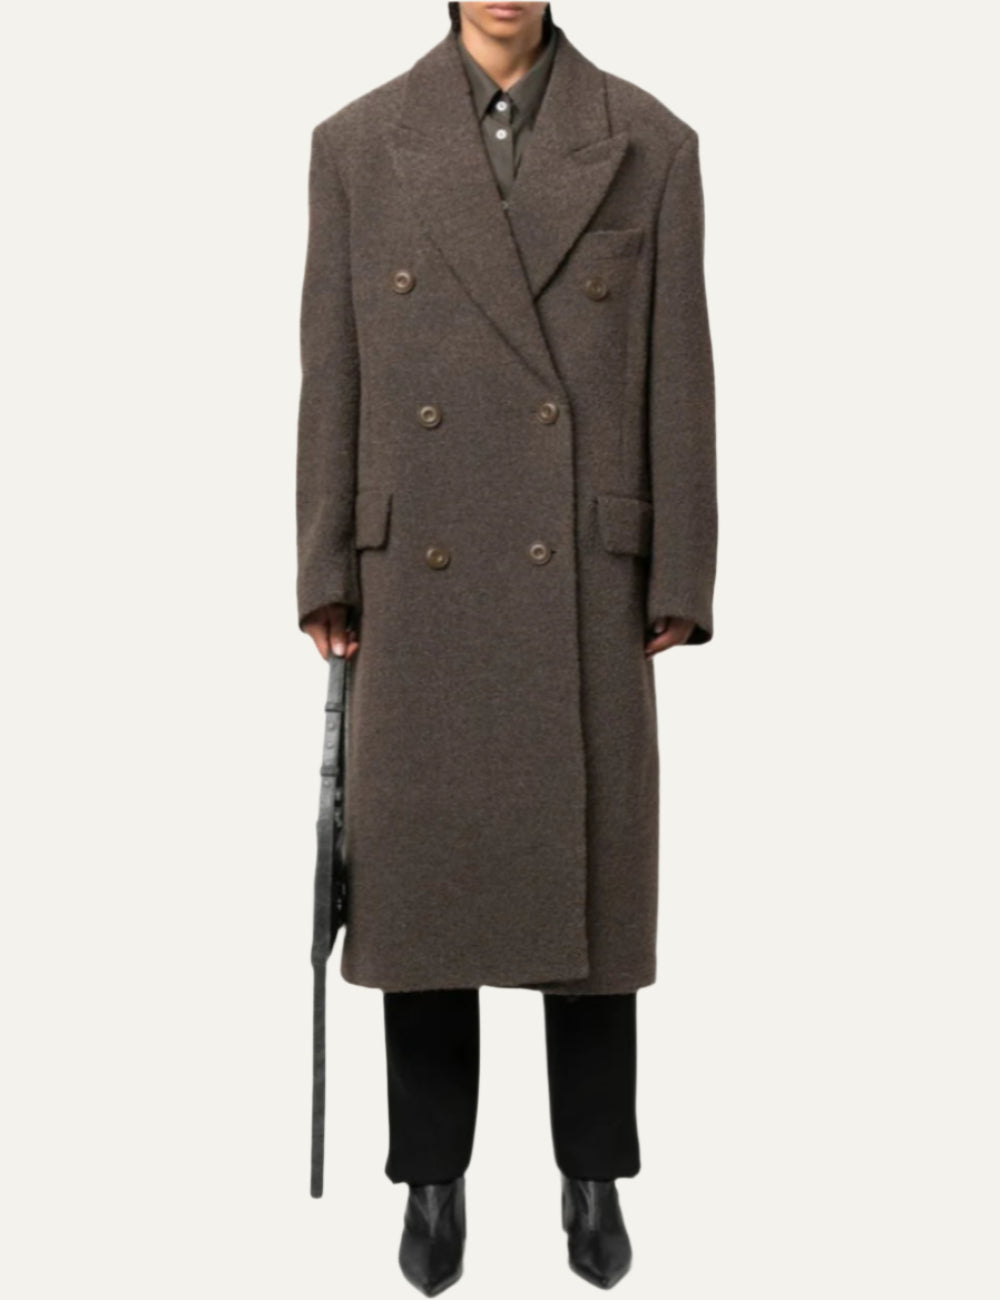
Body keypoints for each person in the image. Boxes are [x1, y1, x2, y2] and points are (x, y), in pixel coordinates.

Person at [295, 2, 717, 1292]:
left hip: (580, 573)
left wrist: (681, 570)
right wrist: (323, 565)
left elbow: (682, 372)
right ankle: (431, 1182)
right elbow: (331, 369)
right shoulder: (356, 143)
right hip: (413, 576)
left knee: (591, 899)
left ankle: (593, 1175)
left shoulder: (650, 140)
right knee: (424, 891)